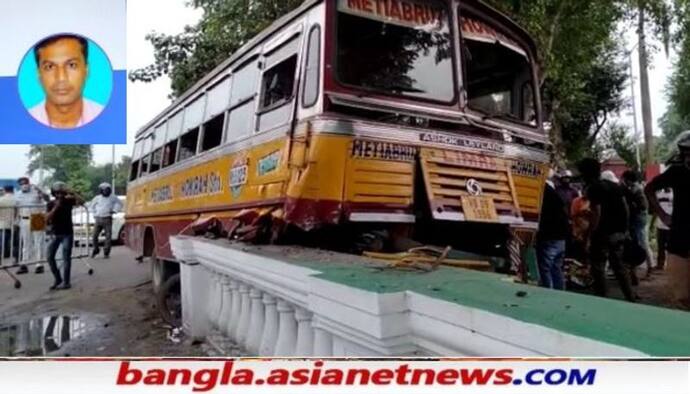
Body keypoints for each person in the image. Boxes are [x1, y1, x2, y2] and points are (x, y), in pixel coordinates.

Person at [577, 158, 635, 302]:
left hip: (602, 233)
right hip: (618, 232)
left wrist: (589, 234)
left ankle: (602, 299)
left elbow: (597, 212)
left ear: (584, 173)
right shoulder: (614, 186)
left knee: (598, 266)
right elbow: (626, 208)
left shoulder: (593, 188)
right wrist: (625, 229)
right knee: (619, 267)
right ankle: (630, 297)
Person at [645, 132, 690, 308]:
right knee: (681, 296)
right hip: (680, 236)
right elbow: (649, 189)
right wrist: (663, 215)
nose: (688, 155)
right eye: (686, 152)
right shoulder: (676, 172)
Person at [28, 34, 104, 129]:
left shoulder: (108, 118)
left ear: (86, 70)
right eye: (49, 67)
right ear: (38, 74)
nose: (61, 78)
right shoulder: (23, 122)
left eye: (72, 65)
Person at [45, 182, 84, 290]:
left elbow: (81, 202)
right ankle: (58, 278)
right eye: (57, 193)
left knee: (66, 257)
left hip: (67, 233)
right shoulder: (51, 204)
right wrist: (56, 207)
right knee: (49, 257)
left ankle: (66, 282)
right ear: (54, 193)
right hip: (55, 234)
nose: (59, 195)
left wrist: (73, 193)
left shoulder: (68, 201)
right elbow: (47, 218)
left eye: (61, 193)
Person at [536, 177, 570, 290]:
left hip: (550, 236)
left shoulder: (542, 193)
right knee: (556, 267)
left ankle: (548, 292)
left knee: (546, 267)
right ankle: (560, 292)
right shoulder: (555, 196)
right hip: (561, 236)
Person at [621, 170, 654, 277]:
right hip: (638, 220)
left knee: (642, 243)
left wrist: (632, 205)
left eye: (625, 179)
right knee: (639, 243)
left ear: (628, 179)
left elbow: (643, 206)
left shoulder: (636, 190)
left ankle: (650, 267)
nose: (624, 181)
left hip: (639, 220)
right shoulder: (635, 188)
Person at [15, 177, 50, 274]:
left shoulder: (36, 192)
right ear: (19, 185)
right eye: (21, 184)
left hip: (37, 218)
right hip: (24, 219)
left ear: (29, 183)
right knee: (26, 243)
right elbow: (16, 208)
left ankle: (39, 264)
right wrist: (16, 221)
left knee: (39, 242)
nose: (24, 185)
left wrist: (40, 190)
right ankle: (24, 264)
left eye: (25, 183)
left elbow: (47, 198)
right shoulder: (17, 194)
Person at [88, 183, 123, 259]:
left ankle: (106, 252)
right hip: (98, 218)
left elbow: (120, 204)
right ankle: (96, 249)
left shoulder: (113, 197)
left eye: (107, 190)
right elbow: (91, 206)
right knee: (94, 236)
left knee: (108, 236)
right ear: (101, 191)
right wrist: (95, 214)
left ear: (109, 190)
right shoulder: (97, 198)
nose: (105, 192)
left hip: (107, 218)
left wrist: (114, 210)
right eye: (104, 190)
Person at [651, 188, 673, 270]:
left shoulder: (673, 195)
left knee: (671, 247)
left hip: (671, 226)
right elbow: (656, 210)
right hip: (660, 225)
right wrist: (652, 223)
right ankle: (660, 264)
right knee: (661, 246)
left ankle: (671, 265)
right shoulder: (659, 194)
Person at [0, 185, 17, 261]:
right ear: (13, 190)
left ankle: (2, 258)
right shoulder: (16, 199)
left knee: (2, 243)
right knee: (15, 243)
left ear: (4, 190)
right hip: (14, 224)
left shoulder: (1, 200)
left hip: (2, 224)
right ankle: (16, 259)